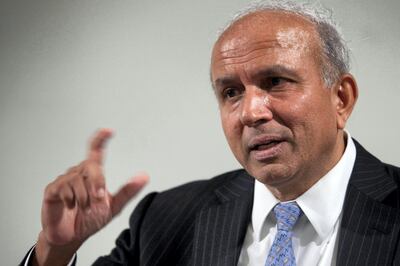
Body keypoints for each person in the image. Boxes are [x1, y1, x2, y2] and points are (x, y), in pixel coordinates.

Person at [21, 0, 400, 265]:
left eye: (275, 81)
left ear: (341, 98)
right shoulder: (166, 220)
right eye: (231, 93)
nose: (251, 112)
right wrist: (55, 251)